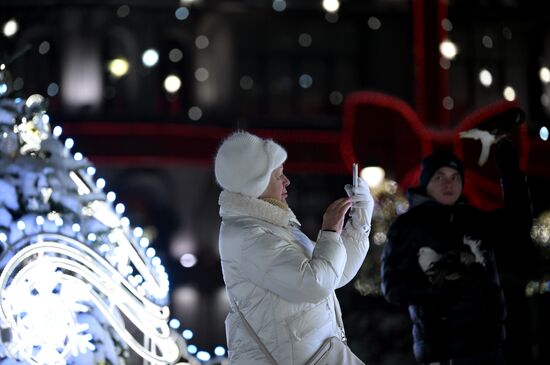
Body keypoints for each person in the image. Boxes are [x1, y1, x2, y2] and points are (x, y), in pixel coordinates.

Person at [214, 131, 373, 364]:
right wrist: (329, 232)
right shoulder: (248, 236)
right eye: (278, 175)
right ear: (256, 185)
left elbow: (334, 275)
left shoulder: (275, 226)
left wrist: (360, 221)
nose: (287, 181)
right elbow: (314, 284)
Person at [380, 139, 532, 365]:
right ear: (426, 182)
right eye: (440, 176)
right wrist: (440, 290)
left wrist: (511, 175)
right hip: (444, 351)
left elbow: (517, 225)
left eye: (455, 177)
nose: (448, 184)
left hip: (490, 348)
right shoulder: (408, 227)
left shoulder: (473, 219)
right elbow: (392, 287)